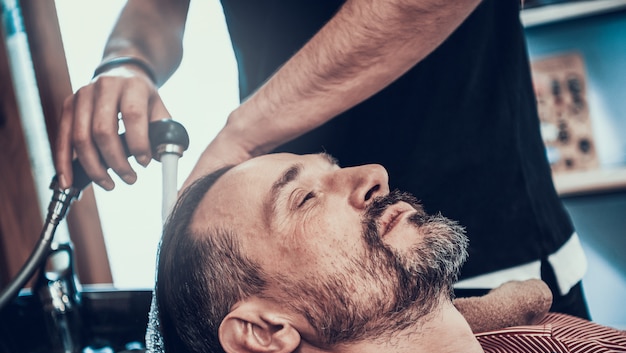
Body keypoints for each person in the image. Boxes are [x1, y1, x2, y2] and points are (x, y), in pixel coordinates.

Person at [54, 1, 589, 316]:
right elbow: (154, 10)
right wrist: (127, 63)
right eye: (304, 192)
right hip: (318, 295)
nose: (375, 180)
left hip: (485, 235)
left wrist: (244, 137)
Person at [152, 152, 626, 353]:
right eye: (305, 198)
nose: (373, 175)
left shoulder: (538, 334)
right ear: (265, 329)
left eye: (333, 166)